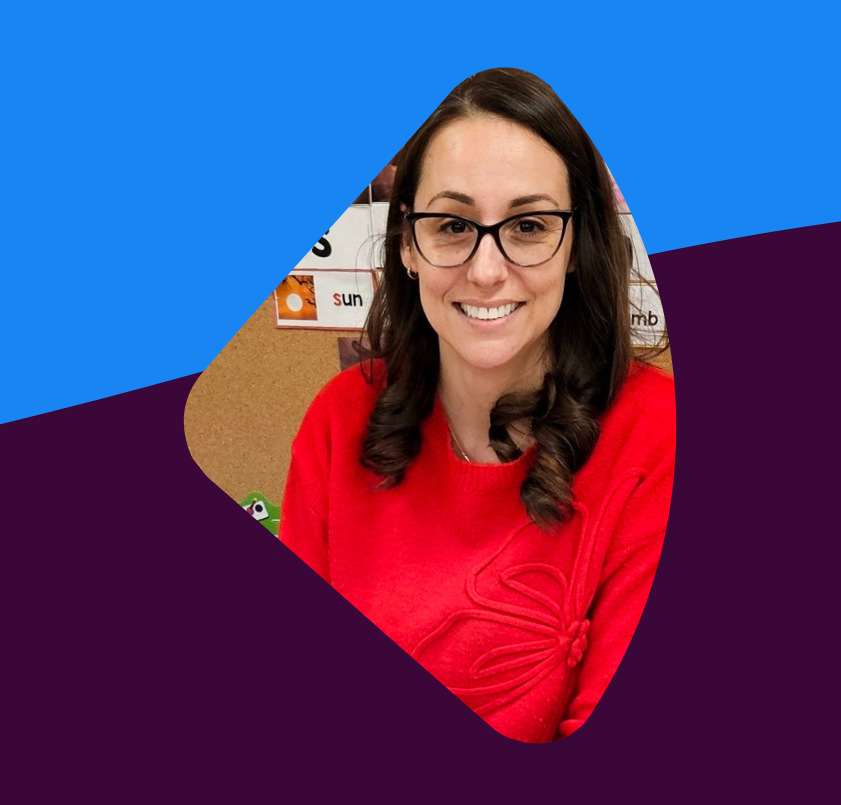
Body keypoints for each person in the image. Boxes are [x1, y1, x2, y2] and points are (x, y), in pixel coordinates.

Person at [280, 68, 676, 742]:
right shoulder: (340, 417)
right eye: (452, 225)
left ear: (576, 246)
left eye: (529, 225)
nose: (487, 271)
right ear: (408, 246)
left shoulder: (659, 436)